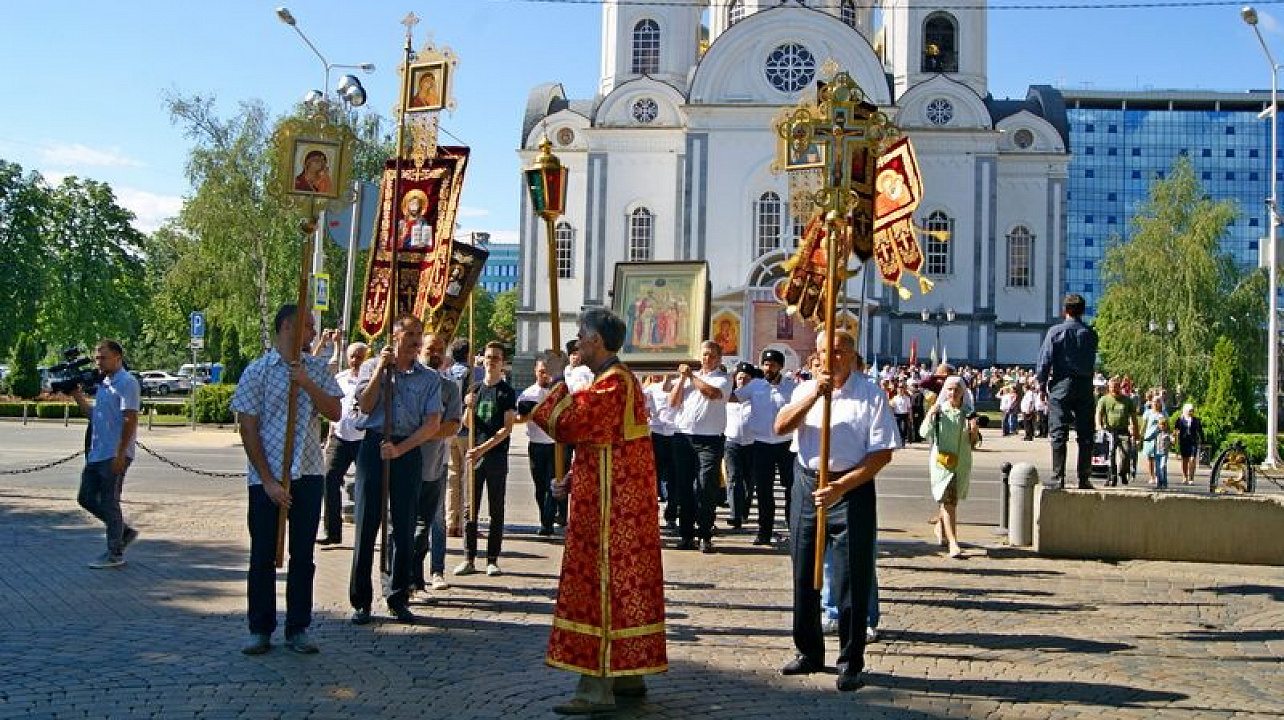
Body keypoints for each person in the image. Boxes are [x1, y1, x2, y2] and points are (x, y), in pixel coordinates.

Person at [530, 308, 666, 715]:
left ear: (598, 341)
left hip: (610, 514)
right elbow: (604, 444)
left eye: (581, 336)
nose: (577, 343)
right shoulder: (615, 382)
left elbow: (569, 422)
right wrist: (573, 477)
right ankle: (627, 676)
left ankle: (596, 688)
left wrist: (556, 380)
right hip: (609, 499)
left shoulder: (614, 384)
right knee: (623, 588)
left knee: (600, 586)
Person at [774, 330, 898, 693]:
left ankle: (850, 660)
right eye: (826, 351)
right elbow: (781, 427)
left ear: (852, 354)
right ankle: (809, 651)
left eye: (840, 351)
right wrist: (815, 394)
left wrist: (842, 487)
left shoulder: (870, 394)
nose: (833, 358)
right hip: (807, 481)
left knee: (851, 578)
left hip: (851, 487)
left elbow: (882, 454)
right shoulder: (803, 389)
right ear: (817, 355)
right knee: (803, 572)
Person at [230, 305, 343, 655]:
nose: (313, 333)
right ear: (287, 327)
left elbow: (336, 411)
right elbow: (247, 426)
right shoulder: (258, 371)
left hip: (308, 473)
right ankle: (260, 627)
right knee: (262, 554)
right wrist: (268, 480)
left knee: (303, 555)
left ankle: (298, 627)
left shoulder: (315, 369)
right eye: (307, 326)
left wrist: (307, 383)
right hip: (267, 477)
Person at [349, 315, 443, 625]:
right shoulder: (371, 367)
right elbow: (364, 405)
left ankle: (398, 595)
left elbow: (432, 425)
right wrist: (379, 369)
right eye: (410, 334)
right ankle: (361, 600)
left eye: (419, 334)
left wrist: (401, 449)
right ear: (396, 336)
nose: (416, 340)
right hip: (374, 448)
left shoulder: (429, 378)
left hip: (407, 450)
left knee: (403, 528)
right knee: (366, 525)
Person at [71, 340, 141, 569]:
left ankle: (115, 553)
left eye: (103, 357)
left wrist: (121, 454)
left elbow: (130, 419)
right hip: (97, 453)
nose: (98, 362)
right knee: (86, 498)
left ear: (118, 358)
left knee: (110, 502)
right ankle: (123, 531)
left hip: (114, 454)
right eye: (97, 358)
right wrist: (78, 397)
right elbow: (96, 415)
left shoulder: (127, 382)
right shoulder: (105, 383)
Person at [457, 341, 517, 576]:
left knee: (496, 509)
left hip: (495, 457)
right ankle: (469, 557)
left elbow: (507, 428)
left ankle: (492, 558)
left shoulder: (506, 392)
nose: (491, 361)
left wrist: (484, 448)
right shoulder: (474, 389)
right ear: (482, 359)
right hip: (474, 455)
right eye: (488, 357)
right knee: (470, 509)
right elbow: (466, 424)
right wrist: (468, 407)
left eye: (496, 358)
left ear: (502, 363)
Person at [729, 348, 797, 545]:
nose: (768, 368)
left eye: (773, 365)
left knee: (791, 488)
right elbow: (733, 397)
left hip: (786, 444)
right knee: (764, 490)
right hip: (761, 444)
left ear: (781, 367)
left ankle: (793, 528)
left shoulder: (791, 388)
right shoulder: (755, 386)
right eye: (766, 364)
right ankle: (764, 531)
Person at [412, 332, 463, 595]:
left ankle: (436, 571)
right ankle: (410, 579)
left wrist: (422, 433)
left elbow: (453, 425)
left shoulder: (450, 387)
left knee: (434, 521)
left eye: (440, 350)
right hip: (406, 464)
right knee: (406, 525)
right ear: (420, 349)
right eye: (431, 348)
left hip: (436, 463)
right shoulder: (407, 381)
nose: (435, 354)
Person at [669, 340, 731, 553]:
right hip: (683, 437)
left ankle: (705, 533)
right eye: (704, 355)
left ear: (719, 358)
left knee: (706, 487)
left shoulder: (723, 378)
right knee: (684, 487)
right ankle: (686, 535)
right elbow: (672, 402)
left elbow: (712, 394)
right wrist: (681, 380)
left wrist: (692, 377)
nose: (707, 359)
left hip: (710, 439)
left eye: (712, 355)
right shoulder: (686, 378)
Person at [1035, 293, 1099, 490]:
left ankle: (1058, 477)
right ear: (1082, 310)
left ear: (1065, 310)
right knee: (1086, 434)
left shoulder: (1055, 332)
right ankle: (1084, 477)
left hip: (1062, 384)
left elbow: (1045, 360)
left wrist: (1042, 384)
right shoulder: (1091, 333)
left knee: (1058, 432)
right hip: (1085, 385)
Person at [318, 341, 369, 546]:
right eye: (353, 357)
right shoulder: (340, 379)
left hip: (363, 439)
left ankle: (366, 532)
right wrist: (330, 431)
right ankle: (332, 531)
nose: (356, 361)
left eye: (360, 356)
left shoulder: (371, 378)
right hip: (340, 437)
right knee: (329, 479)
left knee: (367, 486)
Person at [921, 376, 973, 558]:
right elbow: (923, 432)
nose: (953, 392)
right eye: (950, 389)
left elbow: (973, 442)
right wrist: (930, 415)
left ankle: (941, 529)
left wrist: (974, 430)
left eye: (957, 389)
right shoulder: (939, 411)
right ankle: (953, 542)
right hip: (942, 464)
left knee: (952, 501)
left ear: (963, 392)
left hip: (962, 463)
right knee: (948, 502)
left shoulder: (968, 413)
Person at [516, 356, 559, 536]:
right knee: (540, 486)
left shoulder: (557, 392)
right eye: (541, 372)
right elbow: (518, 418)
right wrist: (533, 414)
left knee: (553, 484)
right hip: (536, 445)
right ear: (535, 372)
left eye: (547, 372)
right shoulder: (528, 394)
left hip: (555, 445)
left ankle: (548, 521)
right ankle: (544, 516)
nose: (544, 376)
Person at [444, 339, 471, 537]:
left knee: (452, 477)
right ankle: (466, 522)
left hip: (449, 427)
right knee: (468, 477)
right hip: (466, 427)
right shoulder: (471, 373)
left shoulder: (447, 373)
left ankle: (451, 521)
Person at [1095, 376, 1140, 487]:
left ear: (1119, 387)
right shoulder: (1104, 400)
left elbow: (1134, 418)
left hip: (1123, 431)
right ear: (1109, 388)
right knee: (1110, 454)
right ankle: (1112, 476)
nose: (1114, 389)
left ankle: (1122, 472)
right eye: (1112, 387)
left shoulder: (1127, 400)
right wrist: (1099, 426)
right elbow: (1098, 414)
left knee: (1126, 453)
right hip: (1110, 431)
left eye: (1116, 387)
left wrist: (1137, 433)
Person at [1175, 403, 1204, 485]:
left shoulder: (1196, 420)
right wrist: (1175, 440)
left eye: (1192, 410)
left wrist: (1203, 440)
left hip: (1193, 442)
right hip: (1184, 441)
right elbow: (1176, 429)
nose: (1191, 412)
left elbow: (1200, 431)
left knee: (1192, 459)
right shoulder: (1180, 419)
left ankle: (1191, 477)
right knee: (1185, 460)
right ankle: (1185, 477)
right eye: (1190, 410)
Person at [1139, 397, 1164, 485]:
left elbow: (1167, 425)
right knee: (1150, 458)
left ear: (1160, 403)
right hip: (1149, 437)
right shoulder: (1148, 412)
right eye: (1154, 402)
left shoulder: (1163, 413)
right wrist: (1140, 436)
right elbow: (1144, 425)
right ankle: (1152, 476)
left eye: (1157, 402)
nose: (1155, 403)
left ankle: (1158, 476)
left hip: (1160, 438)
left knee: (1159, 458)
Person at [1152, 417, 1174, 489]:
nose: (1162, 426)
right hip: (1157, 453)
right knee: (1157, 469)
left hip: (1164, 453)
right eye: (1160, 424)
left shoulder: (1168, 434)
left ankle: (1164, 483)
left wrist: (1174, 437)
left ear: (1166, 425)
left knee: (1162, 467)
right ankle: (1159, 483)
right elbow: (1151, 438)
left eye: (1163, 425)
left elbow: (1173, 441)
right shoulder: (1156, 432)